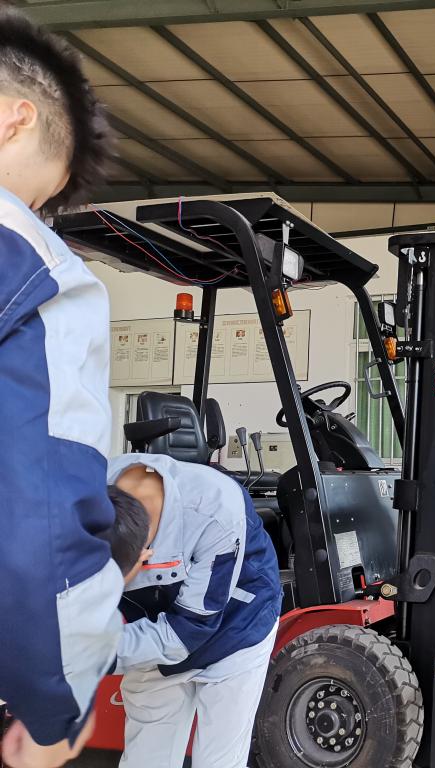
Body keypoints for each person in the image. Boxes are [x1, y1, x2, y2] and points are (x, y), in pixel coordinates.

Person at [0, 8, 121, 768]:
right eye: (40, 200)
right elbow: (36, 533)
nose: (36, 218)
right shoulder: (39, 269)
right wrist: (57, 712)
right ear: (13, 120)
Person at [107, 453, 282, 768]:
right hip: (153, 628)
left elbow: (187, 632)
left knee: (218, 762)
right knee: (146, 759)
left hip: (236, 626)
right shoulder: (77, 505)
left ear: (146, 557)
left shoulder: (214, 510)